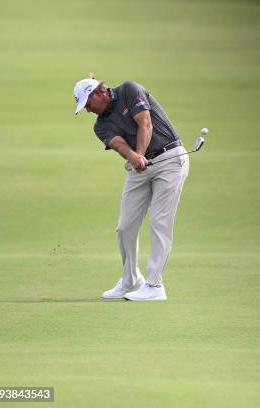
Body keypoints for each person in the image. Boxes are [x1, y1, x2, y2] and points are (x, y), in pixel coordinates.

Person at [73, 75, 189, 301]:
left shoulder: (129, 89)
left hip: (170, 161)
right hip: (140, 168)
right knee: (125, 227)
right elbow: (118, 144)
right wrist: (135, 157)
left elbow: (145, 122)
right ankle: (131, 280)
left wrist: (139, 155)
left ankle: (155, 286)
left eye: (87, 104)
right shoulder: (100, 126)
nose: (87, 110)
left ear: (98, 93)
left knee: (159, 222)